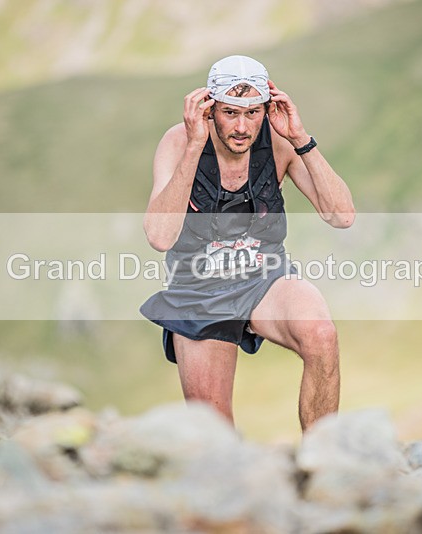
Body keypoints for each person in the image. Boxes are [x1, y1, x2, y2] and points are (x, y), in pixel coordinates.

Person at [140, 55, 355, 431]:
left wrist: (301, 139)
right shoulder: (177, 142)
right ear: (209, 109)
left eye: (253, 113)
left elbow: (342, 216)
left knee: (322, 335)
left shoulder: (280, 143)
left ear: (267, 109)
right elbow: (160, 237)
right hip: (198, 291)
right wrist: (194, 147)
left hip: (265, 278)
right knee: (215, 434)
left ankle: (324, 463)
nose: (242, 127)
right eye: (229, 113)